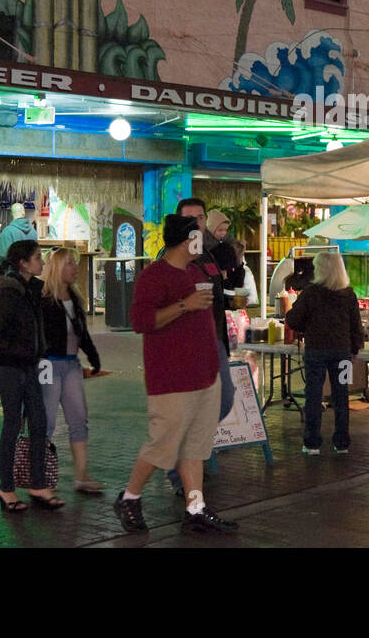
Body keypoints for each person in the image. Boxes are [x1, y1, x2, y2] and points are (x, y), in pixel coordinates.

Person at [114, 214, 236, 535]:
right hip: (171, 378)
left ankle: (195, 508)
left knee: (195, 447)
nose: (203, 241)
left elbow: (228, 258)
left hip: (204, 374)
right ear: (186, 240)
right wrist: (186, 304)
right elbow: (142, 321)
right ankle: (130, 497)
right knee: (162, 445)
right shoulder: (154, 276)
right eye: (199, 236)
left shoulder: (197, 270)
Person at [162, 199, 237, 497]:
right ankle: (177, 470)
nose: (196, 224)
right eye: (189, 219)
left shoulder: (208, 254)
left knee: (224, 399)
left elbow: (220, 292)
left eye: (200, 218)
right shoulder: (169, 259)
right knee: (187, 410)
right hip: (185, 344)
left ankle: (185, 456)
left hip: (213, 339)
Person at [0, 240, 62, 514]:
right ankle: (6, 489)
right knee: (13, 424)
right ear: (23, 263)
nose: (42, 262)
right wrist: (22, 352)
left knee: (39, 422)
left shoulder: (32, 290)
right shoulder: (8, 293)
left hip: (30, 366)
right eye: (38, 257)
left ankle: (38, 484)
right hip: (9, 367)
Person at [284, 251, 365, 455]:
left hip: (316, 352)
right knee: (341, 395)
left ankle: (312, 443)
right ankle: (342, 442)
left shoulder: (311, 293)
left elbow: (293, 319)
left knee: (313, 395)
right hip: (342, 352)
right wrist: (354, 350)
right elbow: (356, 326)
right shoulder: (349, 294)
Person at [39, 247, 104, 493]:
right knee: (46, 422)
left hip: (71, 364)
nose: (75, 268)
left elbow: (81, 332)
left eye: (75, 264)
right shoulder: (45, 299)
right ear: (57, 268)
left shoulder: (74, 298)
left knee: (79, 420)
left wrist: (93, 355)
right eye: (69, 264)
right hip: (49, 364)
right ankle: (41, 477)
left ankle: (82, 476)